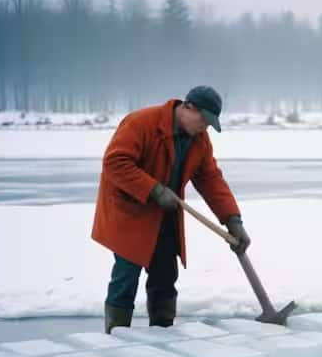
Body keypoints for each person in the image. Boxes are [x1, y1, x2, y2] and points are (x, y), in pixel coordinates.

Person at [92, 85, 250, 334]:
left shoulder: (199, 140)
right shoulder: (142, 123)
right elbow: (115, 162)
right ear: (187, 107)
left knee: (165, 277)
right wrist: (153, 189)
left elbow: (210, 178)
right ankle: (115, 336)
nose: (204, 128)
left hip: (165, 214)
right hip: (130, 214)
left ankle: (163, 336)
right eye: (203, 120)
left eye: (210, 124)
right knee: (125, 278)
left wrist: (232, 219)